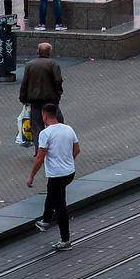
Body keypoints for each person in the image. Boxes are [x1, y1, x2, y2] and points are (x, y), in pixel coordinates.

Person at [26, 103, 79, 251]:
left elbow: (40, 158)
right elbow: (77, 149)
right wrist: (68, 161)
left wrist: (31, 176)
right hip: (69, 172)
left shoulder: (45, 134)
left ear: (44, 116)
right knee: (52, 192)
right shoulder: (68, 129)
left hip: (56, 174)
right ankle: (46, 220)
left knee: (60, 205)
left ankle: (65, 240)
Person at [19, 42, 64, 147]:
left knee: (37, 126)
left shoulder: (30, 65)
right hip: (51, 99)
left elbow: (24, 83)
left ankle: (39, 149)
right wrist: (58, 93)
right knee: (57, 122)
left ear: (38, 51)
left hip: (35, 100)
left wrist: (23, 97)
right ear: (49, 52)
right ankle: (55, 146)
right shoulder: (53, 64)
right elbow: (58, 80)